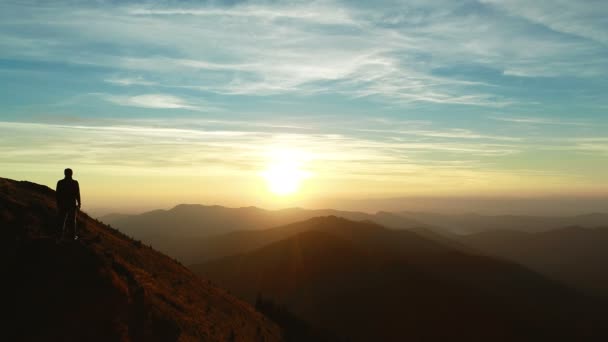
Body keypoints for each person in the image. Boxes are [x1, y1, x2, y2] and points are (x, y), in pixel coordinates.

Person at [56, 168, 81, 241]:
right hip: (72, 204)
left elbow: (57, 194)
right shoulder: (75, 183)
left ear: (65, 173)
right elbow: (77, 194)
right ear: (71, 174)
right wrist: (79, 203)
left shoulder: (60, 182)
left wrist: (58, 204)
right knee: (72, 221)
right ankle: (72, 237)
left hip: (62, 204)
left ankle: (60, 236)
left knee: (61, 220)